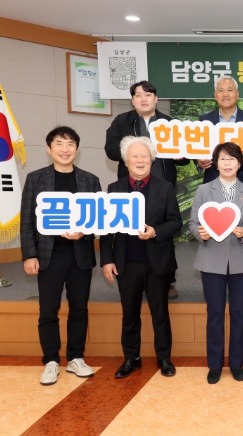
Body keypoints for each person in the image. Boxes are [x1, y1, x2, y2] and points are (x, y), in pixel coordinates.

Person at [20, 126, 100, 385]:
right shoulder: (36, 179)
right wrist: (29, 255)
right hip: (48, 256)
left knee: (79, 309)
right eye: (59, 144)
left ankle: (76, 357)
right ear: (49, 149)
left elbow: (99, 219)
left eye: (70, 144)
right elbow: (27, 221)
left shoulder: (90, 180)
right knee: (48, 310)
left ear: (77, 149)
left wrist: (85, 231)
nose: (65, 149)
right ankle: (51, 360)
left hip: (80, 255)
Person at [101, 136, 182, 379]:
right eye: (134, 156)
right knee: (129, 314)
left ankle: (164, 358)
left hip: (157, 262)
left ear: (152, 160)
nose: (139, 160)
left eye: (144, 156)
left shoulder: (165, 187)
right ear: (126, 161)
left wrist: (155, 231)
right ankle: (131, 358)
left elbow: (175, 222)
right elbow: (106, 229)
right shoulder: (114, 189)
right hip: (125, 262)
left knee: (160, 314)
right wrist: (107, 259)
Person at [104, 80, 188, 299]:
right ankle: (132, 277)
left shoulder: (170, 123)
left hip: (162, 186)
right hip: (131, 186)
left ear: (156, 99)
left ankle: (168, 280)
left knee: (163, 231)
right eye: (138, 95)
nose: (144, 99)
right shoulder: (122, 121)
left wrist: (180, 155)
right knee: (129, 232)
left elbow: (185, 157)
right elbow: (110, 150)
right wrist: (133, 149)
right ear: (133, 100)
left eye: (148, 95)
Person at [189, 142, 243, 384]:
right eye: (222, 159)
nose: (227, 163)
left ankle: (237, 364)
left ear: (240, 164)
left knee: (239, 314)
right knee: (215, 314)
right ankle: (215, 365)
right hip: (211, 260)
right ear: (215, 164)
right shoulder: (203, 190)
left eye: (232, 159)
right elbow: (192, 223)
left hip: (241, 260)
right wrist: (200, 233)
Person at [196, 76, 243, 188]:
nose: (225, 94)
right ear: (215, 95)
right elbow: (197, 150)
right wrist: (199, 162)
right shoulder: (205, 120)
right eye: (221, 90)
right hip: (212, 184)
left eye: (229, 90)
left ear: (237, 94)